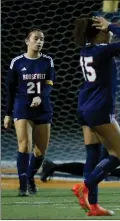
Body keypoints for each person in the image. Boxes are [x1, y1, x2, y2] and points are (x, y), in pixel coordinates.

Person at [72, 16, 120, 216]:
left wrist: (108, 28)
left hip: (84, 107)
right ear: (99, 33)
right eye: (106, 30)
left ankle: (93, 206)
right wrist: (113, 27)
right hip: (99, 110)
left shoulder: (86, 50)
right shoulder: (103, 50)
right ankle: (85, 186)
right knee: (118, 155)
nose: (109, 33)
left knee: (93, 155)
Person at [3, 28, 56, 197]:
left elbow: (49, 84)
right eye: (35, 38)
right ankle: (23, 185)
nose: (39, 42)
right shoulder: (17, 62)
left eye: (42, 39)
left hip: (43, 108)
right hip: (22, 107)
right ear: (27, 41)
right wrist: (7, 113)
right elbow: (10, 90)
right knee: (24, 145)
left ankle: (31, 176)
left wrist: (40, 97)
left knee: (41, 150)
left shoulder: (48, 61)